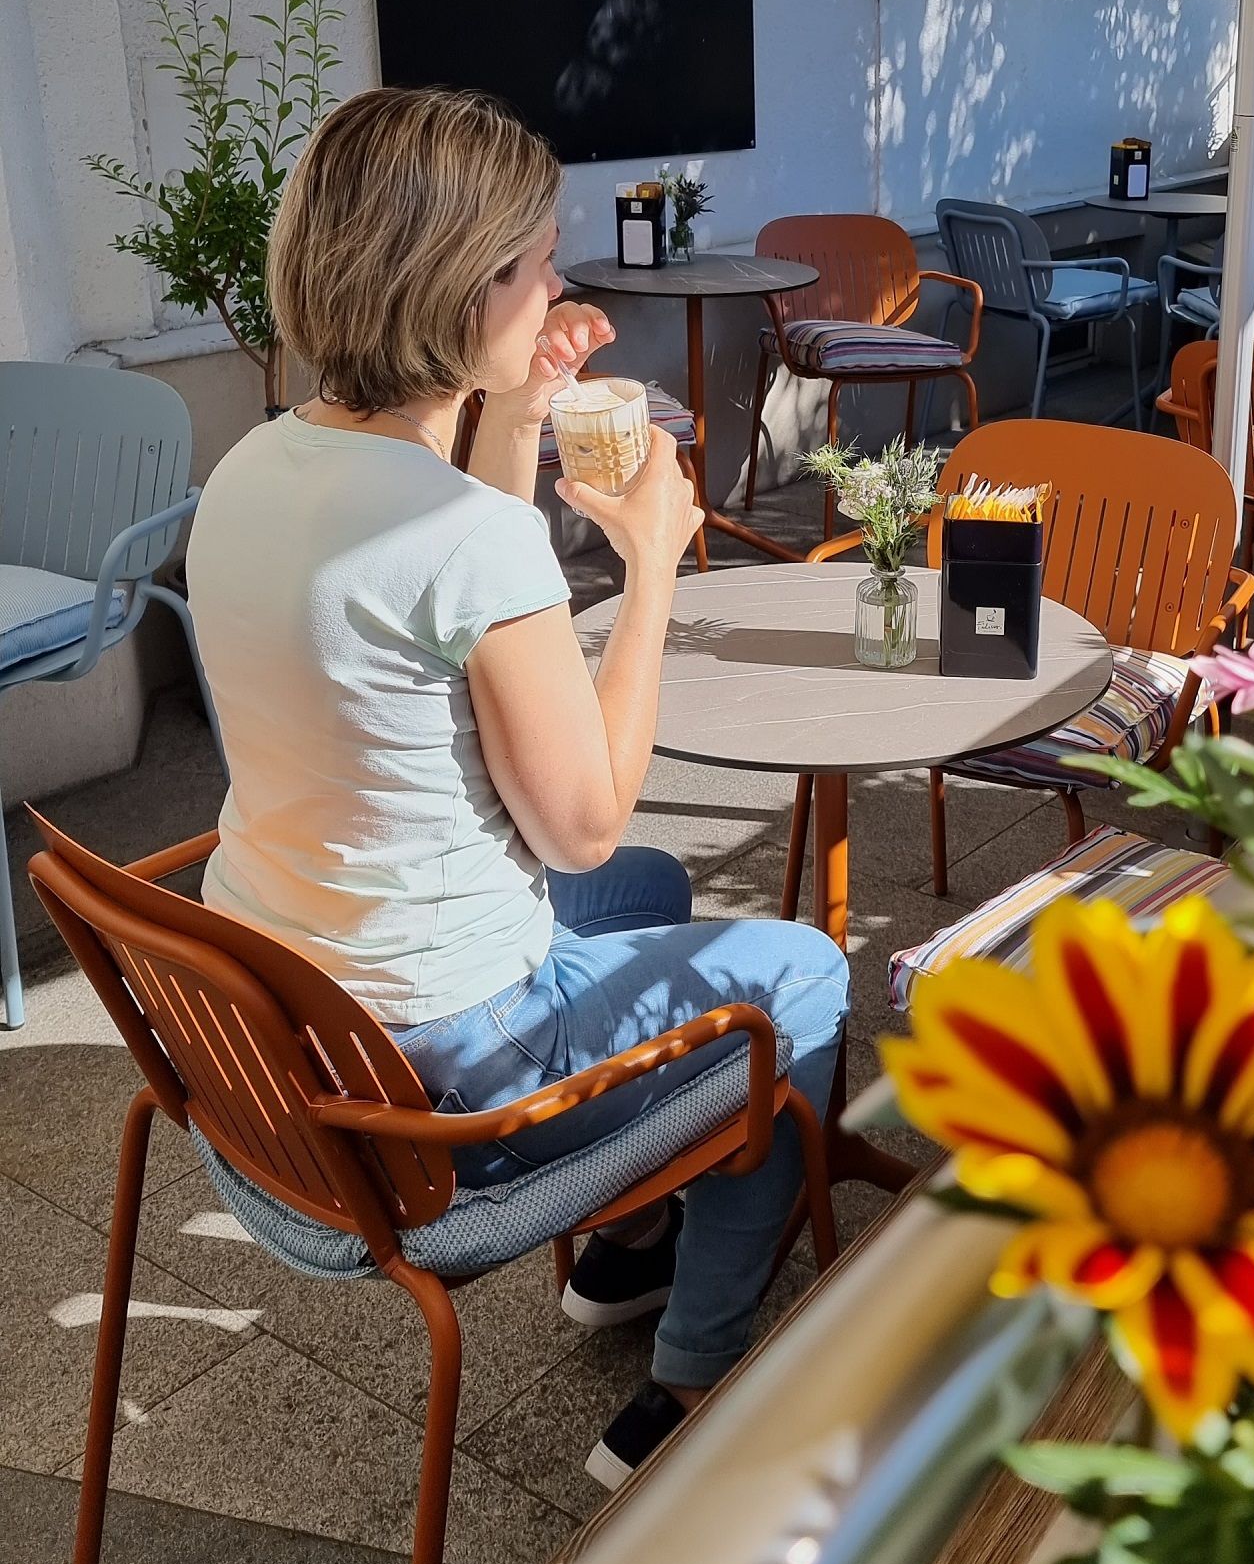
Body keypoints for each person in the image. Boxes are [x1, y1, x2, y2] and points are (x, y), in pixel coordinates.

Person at [185, 84, 848, 1489]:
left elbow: (454, 557)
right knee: (803, 974)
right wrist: (656, 561)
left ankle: (629, 1241)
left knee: (654, 891)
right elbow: (582, 820)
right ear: (461, 285)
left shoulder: (253, 468)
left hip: (289, 1022)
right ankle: (700, 1375)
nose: (560, 288)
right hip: (444, 1075)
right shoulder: (456, 540)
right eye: (539, 264)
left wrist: (522, 404)